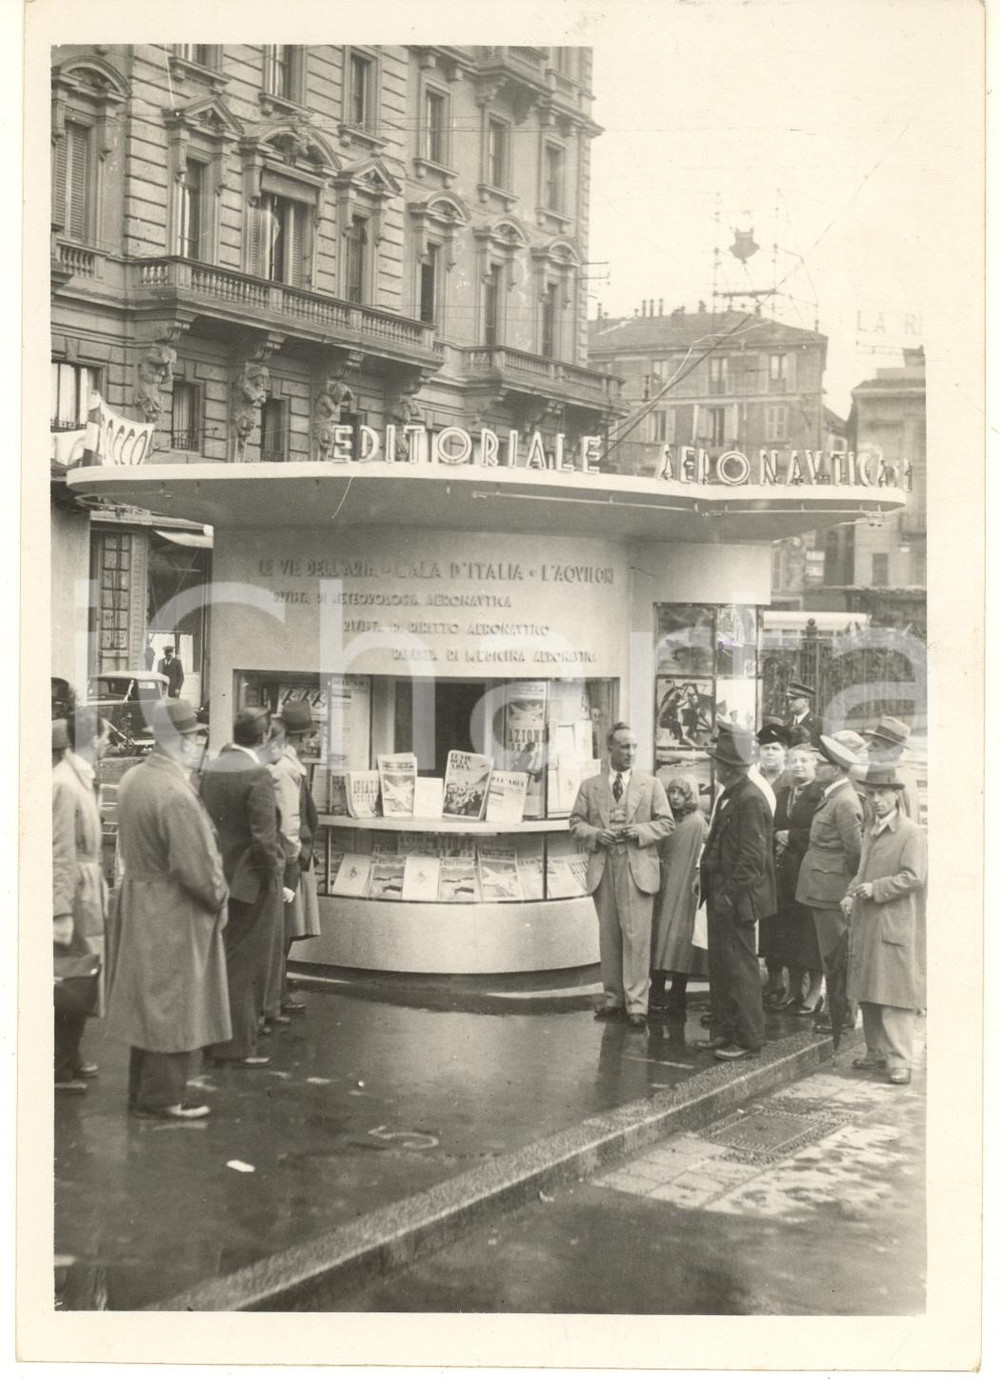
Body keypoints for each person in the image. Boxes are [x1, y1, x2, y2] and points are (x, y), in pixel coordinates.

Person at [106, 698, 230, 1120]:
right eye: (194, 737)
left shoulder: (134, 779)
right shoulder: (175, 792)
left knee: (148, 1001)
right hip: (173, 907)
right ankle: (162, 1097)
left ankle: (142, 1091)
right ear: (183, 740)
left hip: (140, 897)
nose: (197, 745)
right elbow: (197, 867)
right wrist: (219, 898)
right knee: (174, 1003)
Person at [198, 707, 287, 1068]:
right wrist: (273, 876)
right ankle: (235, 1046)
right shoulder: (257, 775)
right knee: (246, 965)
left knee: (221, 958)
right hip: (250, 881)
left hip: (217, 875)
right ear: (264, 737)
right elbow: (265, 839)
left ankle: (212, 1038)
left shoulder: (213, 767)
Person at [570, 722, 674, 1028]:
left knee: (637, 937)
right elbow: (575, 823)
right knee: (609, 936)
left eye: (634, 747)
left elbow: (667, 823)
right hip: (604, 867)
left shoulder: (651, 785)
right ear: (610, 749)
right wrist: (595, 834)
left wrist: (639, 830)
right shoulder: (590, 786)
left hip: (637, 867)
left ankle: (637, 1004)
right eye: (624, 747)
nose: (630, 752)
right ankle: (613, 997)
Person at [695, 724, 777, 1061]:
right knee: (722, 967)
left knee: (740, 969)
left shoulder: (750, 798)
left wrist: (728, 895)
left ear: (728, 766)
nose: (715, 766)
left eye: (718, 762)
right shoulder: (732, 793)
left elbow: (752, 860)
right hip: (722, 897)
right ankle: (725, 1031)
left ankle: (748, 1039)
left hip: (736, 900)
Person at [842, 764, 927, 1085]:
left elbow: (914, 877)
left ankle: (900, 1061)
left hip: (894, 923)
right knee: (868, 990)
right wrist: (850, 893)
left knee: (894, 994)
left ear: (896, 795)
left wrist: (876, 889)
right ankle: (875, 1052)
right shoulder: (871, 829)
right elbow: (862, 871)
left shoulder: (911, 832)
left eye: (882, 794)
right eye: (870, 794)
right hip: (867, 922)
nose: (875, 800)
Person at [52, 712, 110, 1092]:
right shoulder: (65, 783)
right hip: (74, 890)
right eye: (104, 737)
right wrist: (60, 910)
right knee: (72, 975)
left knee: (81, 973)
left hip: (84, 887)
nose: (108, 743)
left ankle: (68, 1055)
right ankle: (59, 1064)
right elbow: (59, 851)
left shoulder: (78, 778)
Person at [795, 731, 863, 1036]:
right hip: (822, 888)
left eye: (821, 764)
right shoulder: (833, 795)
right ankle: (838, 1011)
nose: (816, 767)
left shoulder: (845, 801)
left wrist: (844, 886)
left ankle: (842, 1015)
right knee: (830, 954)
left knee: (836, 956)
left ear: (835, 769)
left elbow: (856, 853)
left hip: (832, 890)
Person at [267, 699, 323, 1022]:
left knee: (285, 928)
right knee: (284, 929)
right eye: (306, 736)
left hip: (293, 853)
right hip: (291, 856)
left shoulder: (284, 764)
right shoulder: (287, 768)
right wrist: (295, 855)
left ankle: (278, 991)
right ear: (295, 737)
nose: (308, 742)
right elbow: (290, 819)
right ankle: (276, 995)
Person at [767, 743, 825, 1013]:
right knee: (788, 931)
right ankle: (793, 989)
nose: (798, 765)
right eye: (793, 761)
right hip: (785, 874)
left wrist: (791, 836)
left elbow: (821, 832)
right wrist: (776, 834)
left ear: (815, 765)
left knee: (810, 933)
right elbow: (771, 824)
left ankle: (814, 991)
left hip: (809, 872)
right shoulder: (782, 794)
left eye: (804, 760)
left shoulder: (820, 795)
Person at [649, 773, 708, 1022]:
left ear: (690, 796)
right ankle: (656, 988)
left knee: (679, 938)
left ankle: (677, 992)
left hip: (685, 886)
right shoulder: (665, 820)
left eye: (681, 793)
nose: (675, 797)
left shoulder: (697, 823)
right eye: (671, 792)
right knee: (659, 935)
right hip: (664, 883)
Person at [751, 719, 792, 996]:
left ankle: (788, 981)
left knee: (785, 920)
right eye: (765, 748)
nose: (769, 753)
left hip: (785, 861)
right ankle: (772, 978)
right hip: (759, 859)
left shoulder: (791, 781)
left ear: (785, 752)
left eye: (775, 748)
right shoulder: (754, 780)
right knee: (765, 919)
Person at [859, 715, 920, 822]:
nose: (868, 748)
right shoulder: (906, 771)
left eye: (875, 745)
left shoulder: (889, 776)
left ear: (894, 751)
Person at [783, 681, 822, 747]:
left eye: (794, 699)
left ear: (806, 702)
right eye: (789, 699)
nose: (790, 702)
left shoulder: (820, 724)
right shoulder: (786, 725)